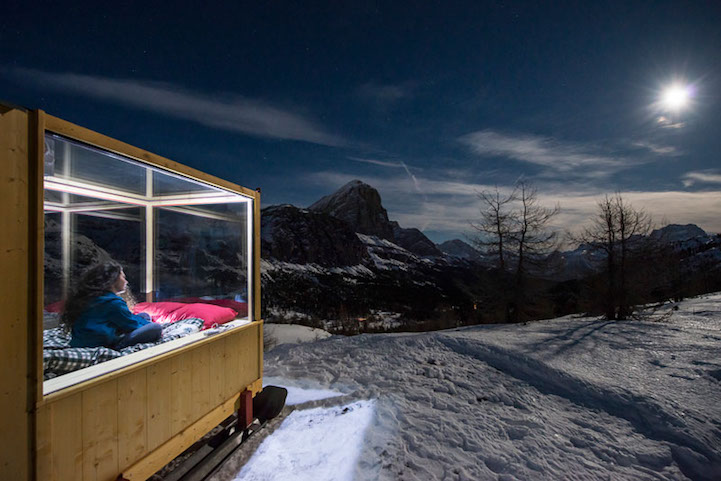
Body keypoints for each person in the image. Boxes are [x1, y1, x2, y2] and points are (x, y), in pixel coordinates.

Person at [61, 260, 162, 349]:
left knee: (144, 315)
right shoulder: (113, 303)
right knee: (155, 328)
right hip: (100, 343)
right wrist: (148, 325)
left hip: (81, 341)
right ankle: (119, 345)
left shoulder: (92, 298)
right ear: (114, 280)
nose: (126, 282)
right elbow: (131, 324)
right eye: (123, 277)